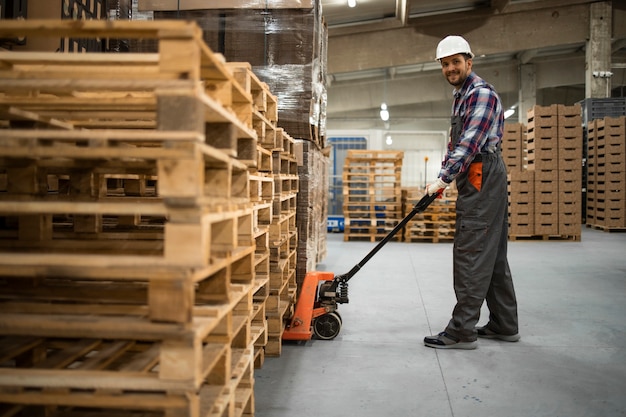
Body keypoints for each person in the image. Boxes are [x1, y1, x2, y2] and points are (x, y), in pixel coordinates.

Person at [423, 35, 519, 349]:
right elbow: (455, 145)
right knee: (491, 255)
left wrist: (442, 179)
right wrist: (443, 177)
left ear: (469, 62)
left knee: (471, 252)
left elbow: (469, 144)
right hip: (476, 174)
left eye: (455, 62)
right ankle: (505, 324)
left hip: (482, 174)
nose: (450, 68)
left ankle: (462, 330)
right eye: (445, 64)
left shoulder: (481, 94)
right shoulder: (461, 95)